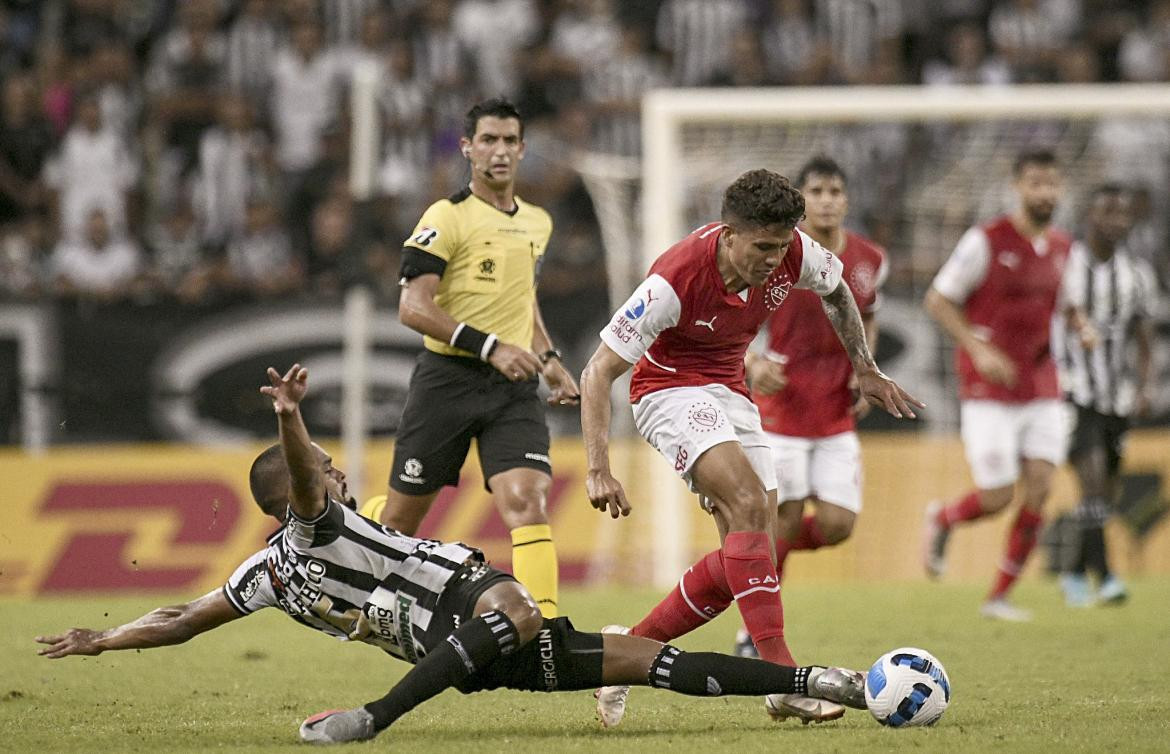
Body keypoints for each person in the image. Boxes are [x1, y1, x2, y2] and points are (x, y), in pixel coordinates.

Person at [34, 364, 867, 745]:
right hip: (467, 615)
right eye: (326, 468)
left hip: (463, 635)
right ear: (300, 493)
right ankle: (373, 721)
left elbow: (182, 618)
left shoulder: (262, 578)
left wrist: (104, 639)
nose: (335, 474)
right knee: (517, 606)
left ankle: (822, 683)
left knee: (645, 662)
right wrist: (291, 420)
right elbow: (299, 477)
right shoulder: (311, 525)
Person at [579, 169, 921, 726]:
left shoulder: (794, 252)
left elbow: (838, 291)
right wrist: (598, 468)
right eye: (762, 247)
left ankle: (624, 654)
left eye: (782, 245)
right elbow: (597, 374)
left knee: (749, 548)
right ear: (728, 235)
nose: (773, 259)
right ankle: (786, 681)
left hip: (729, 388)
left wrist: (866, 367)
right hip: (667, 388)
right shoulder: (674, 279)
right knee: (745, 505)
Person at [360, 98, 579, 620]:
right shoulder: (446, 216)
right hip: (447, 381)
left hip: (512, 388)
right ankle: (359, 524)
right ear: (467, 148)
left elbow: (522, 298)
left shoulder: (537, 223)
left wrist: (547, 356)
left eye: (509, 141)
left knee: (527, 500)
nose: (499, 151)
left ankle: (544, 629)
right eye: (488, 140)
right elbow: (412, 307)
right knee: (399, 522)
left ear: (523, 150)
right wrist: (491, 347)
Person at [733, 156, 887, 657]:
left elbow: (866, 316)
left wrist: (867, 369)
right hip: (783, 410)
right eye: (816, 191)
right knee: (788, 515)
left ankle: (743, 558)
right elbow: (738, 313)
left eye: (834, 191)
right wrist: (753, 362)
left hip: (836, 411)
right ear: (801, 200)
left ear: (846, 199)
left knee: (839, 525)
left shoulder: (868, 259)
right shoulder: (780, 254)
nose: (826, 200)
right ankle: (752, 635)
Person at [922, 148, 1074, 622]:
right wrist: (979, 349)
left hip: (1042, 385)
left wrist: (1083, 327)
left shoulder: (1067, 249)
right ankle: (943, 518)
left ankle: (999, 596)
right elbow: (938, 299)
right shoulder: (985, 240)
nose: (1044, 192)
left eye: (1051, 184)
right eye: (1035, 184)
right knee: (997, 496)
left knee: (1041, 486)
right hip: (988, 391)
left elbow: (1069, 307)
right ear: (1018, 187)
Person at [1054, 184, 1155, 607]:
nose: (1115, 221)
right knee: (1093, 480)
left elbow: (1143, 337)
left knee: (1105, 491)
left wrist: (1146, 385)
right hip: (1074, 393)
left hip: (1117, 397)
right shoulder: (1065, 265)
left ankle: (1075, 572)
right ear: (1089, 216)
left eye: (1122, 213)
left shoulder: (1136, 275)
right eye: (1106, 212)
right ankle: (1108, 576)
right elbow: (1062, 314)